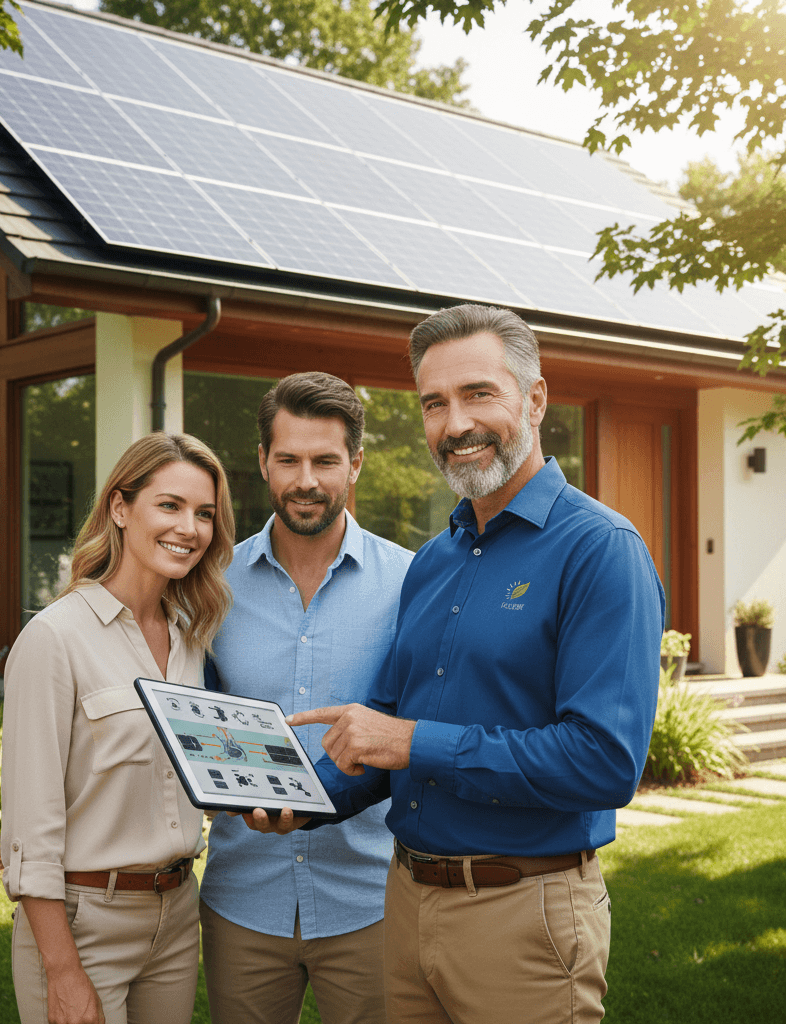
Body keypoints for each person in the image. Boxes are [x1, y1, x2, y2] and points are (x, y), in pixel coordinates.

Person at [243, 306, 664, 1024]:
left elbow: (603, 762)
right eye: (434, 403)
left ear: (534, 400)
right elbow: (383, 734)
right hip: (406, 905)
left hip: (524, 913)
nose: (454, 423)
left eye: (478, 394)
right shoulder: (434, 560)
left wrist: (410, 742)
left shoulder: (600, 549)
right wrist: (302, 804)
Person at [200, 372, 413, 1024]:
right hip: (242, 898)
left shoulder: (410, 581)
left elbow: (415, 726)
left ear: (356, 464)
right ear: (262, 460)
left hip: (370, 900)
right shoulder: (212, 585)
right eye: (288, 459)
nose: (306, 480)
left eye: (324, 460)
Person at [1, 432, 235, 1024]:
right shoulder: (55, 638)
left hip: (178, 916)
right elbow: (30, 830)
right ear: (120, 508)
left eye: (205, 513)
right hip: (84, 923)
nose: (190, 527)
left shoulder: (190, 637)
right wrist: (61, 969)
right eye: (170, 505)